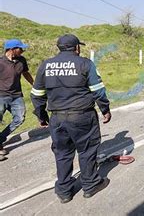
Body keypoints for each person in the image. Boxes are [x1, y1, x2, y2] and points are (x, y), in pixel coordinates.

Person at [30, 34, 112, 203]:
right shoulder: (85, 63)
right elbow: (98, 91)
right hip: (82, 116)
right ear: (76, 48)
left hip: (57, 118)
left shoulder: (46, 65)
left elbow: (37, 94)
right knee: (87, 150)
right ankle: (90, 185)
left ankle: (64, 190)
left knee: (62, 153)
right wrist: (105, 109)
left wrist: (41, 116)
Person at [0, 39, 34, 161]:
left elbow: (26, 73)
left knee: (19, 118)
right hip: (1, 96)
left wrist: (34, 85)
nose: (22, 50)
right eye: (20, 48)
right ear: (12, 49)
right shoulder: (1, 62)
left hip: (17, 96)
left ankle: (0, 139)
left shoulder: (21, 60)